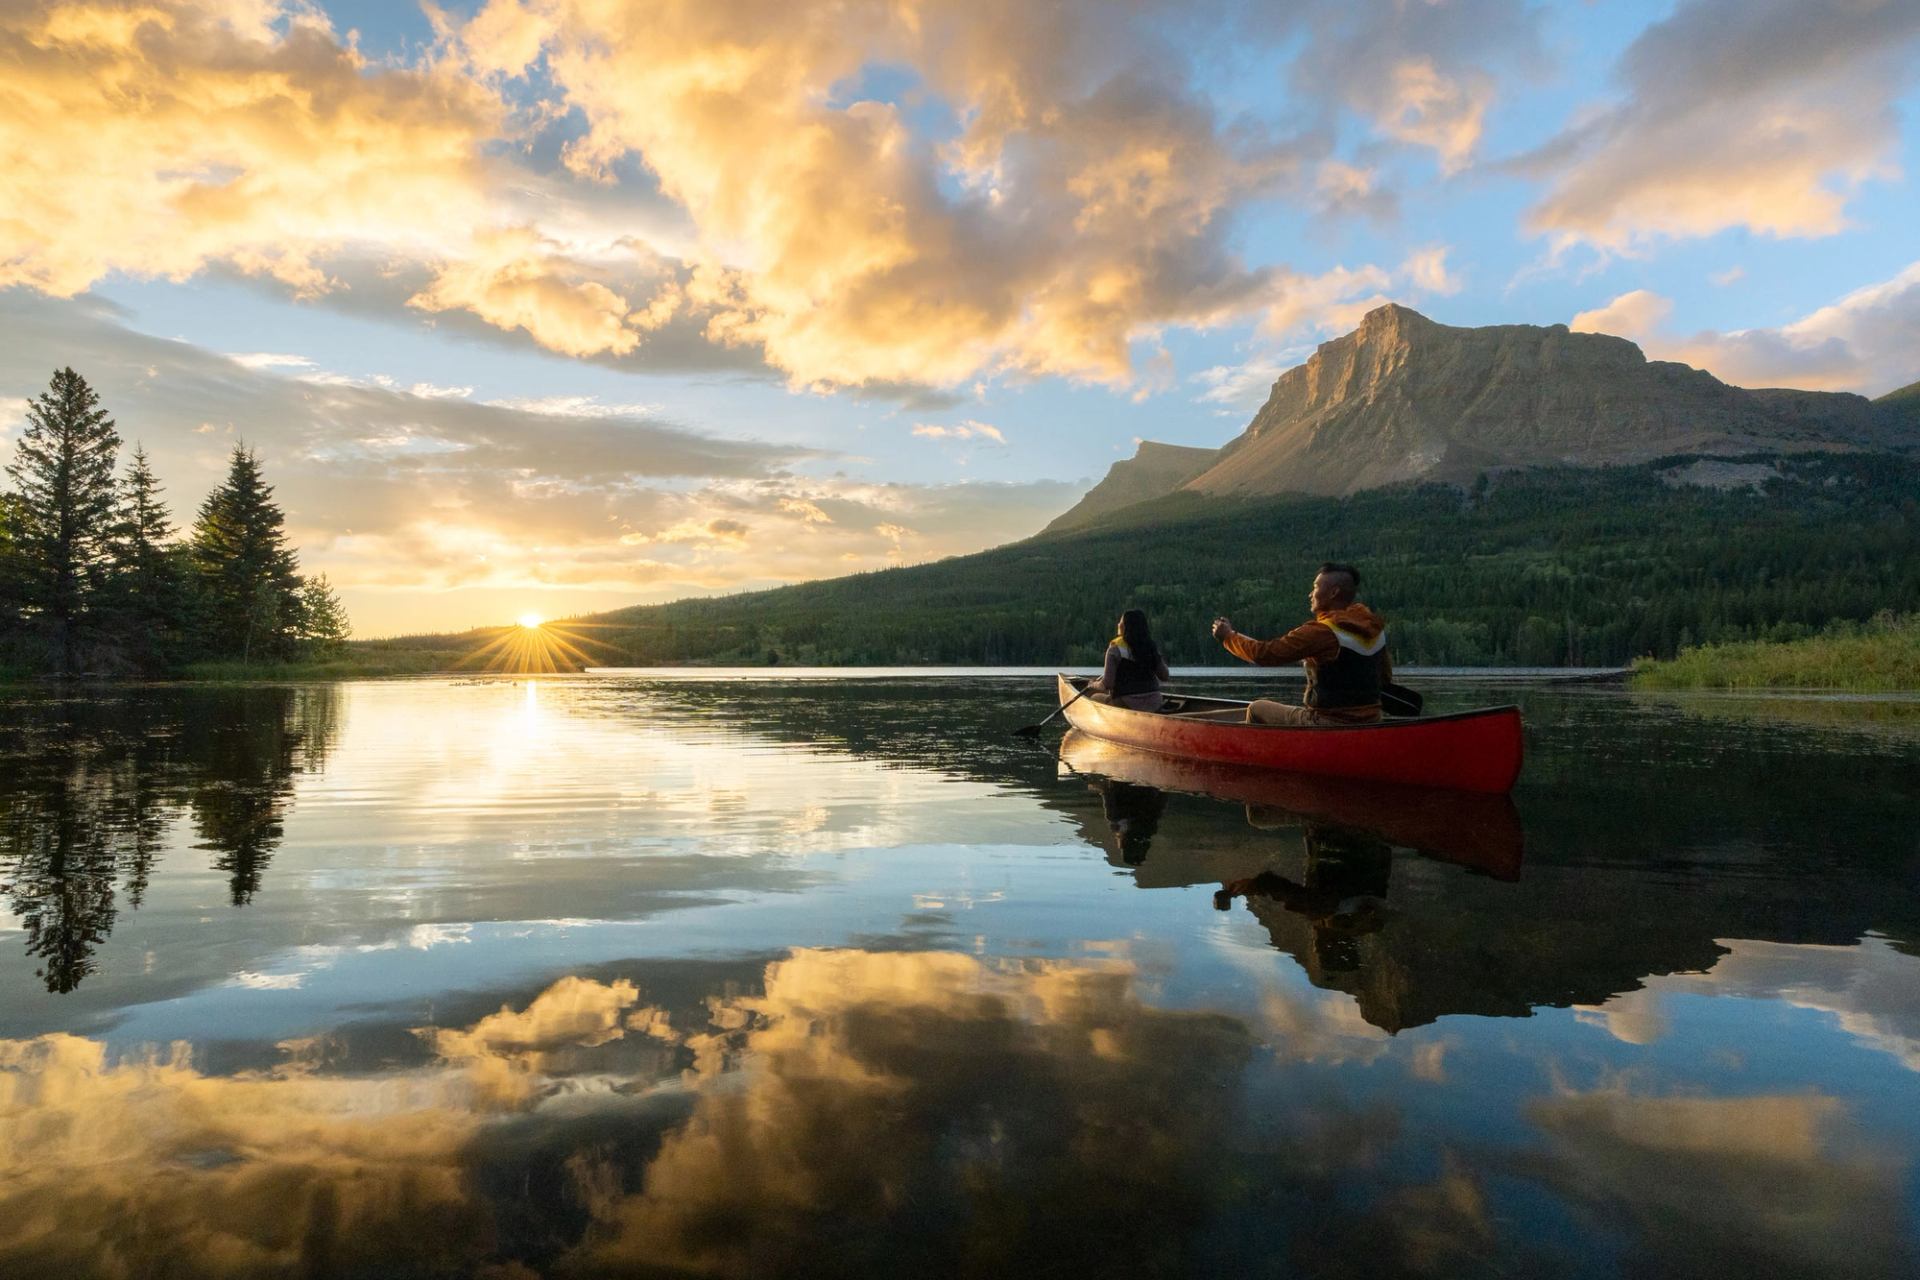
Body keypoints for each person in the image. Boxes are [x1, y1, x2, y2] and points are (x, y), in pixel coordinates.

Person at [1193, 562, 1391, 726]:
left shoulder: (1321, 632)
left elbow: (1265, 654)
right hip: (1372, 720)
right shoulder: (1373, 628)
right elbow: (1384, 677)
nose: (1311, 594)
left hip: (1328, 723)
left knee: (1257, 708)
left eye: (1315, 587)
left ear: (1333, 593)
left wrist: (1228, 637)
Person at [1084, 608, 1171, 711]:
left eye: (1120, 621)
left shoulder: (1115, 650)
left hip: (1127, 703)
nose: (1118, 624)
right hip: (1155, 703)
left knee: (1095, 698)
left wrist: (1093, 684)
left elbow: (1107, 685)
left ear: (1125, 627)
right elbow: (1165, 676)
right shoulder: (1150, 647)